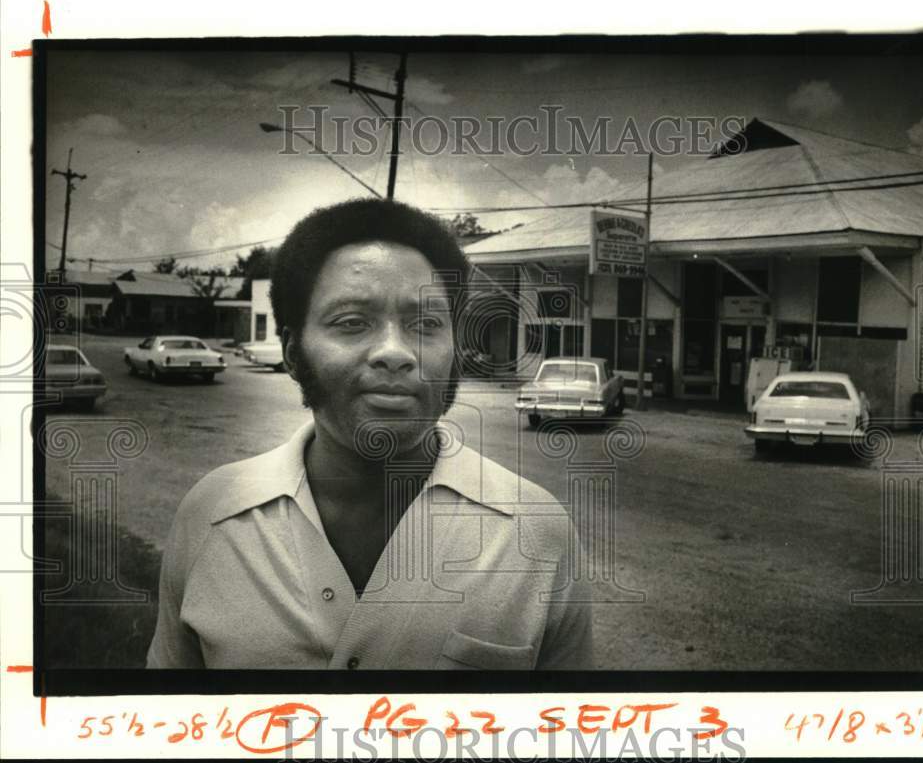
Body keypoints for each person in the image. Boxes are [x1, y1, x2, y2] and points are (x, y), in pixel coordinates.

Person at [147, 198, 593, 670]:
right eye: (352, 323)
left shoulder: (537, 531)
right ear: (294, 352)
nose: (395, 353)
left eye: (426, 324)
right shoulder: (212, 514)